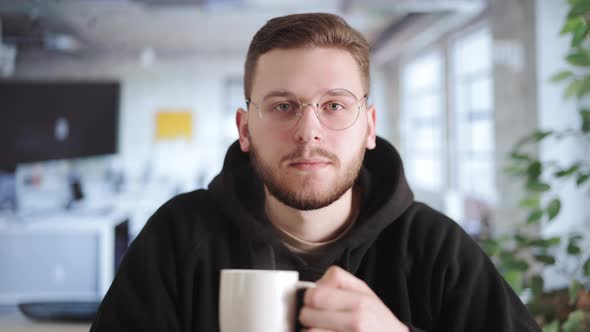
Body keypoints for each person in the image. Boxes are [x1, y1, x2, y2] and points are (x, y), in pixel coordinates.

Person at [90, 13, 541, 332]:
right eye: (283, 106)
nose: (309, 132)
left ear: (369, 127)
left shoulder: (434, 247)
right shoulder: (178, 236)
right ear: (245, 130)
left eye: (335, 106)